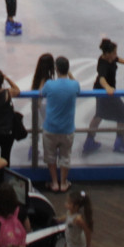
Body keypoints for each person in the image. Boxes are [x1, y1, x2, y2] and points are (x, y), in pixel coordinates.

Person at [41, 57, 80, 193]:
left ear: (56, 69)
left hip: (50, 127)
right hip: (67, 129)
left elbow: (41, 93)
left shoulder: (50, 85)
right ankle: (63, 183)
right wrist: (69, 74)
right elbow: (76, 85)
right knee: (65, 156)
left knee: (50, 156)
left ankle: (54, 182)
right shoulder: (74, 85)